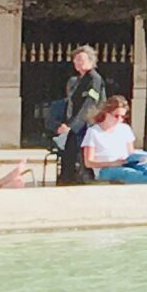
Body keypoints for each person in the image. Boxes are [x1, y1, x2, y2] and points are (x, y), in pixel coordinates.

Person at [78, 96, 147, 184]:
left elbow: (130, 153)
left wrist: (138, 158)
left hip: (126, 162)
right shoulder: (94, 132)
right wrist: (113, 163)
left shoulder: (125, 129)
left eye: (122, 117)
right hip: (105, 168)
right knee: (127, 172)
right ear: (106, 113)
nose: (119, 119)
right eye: (116, 116)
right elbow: (89, 162)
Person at [55, 45, 107, 188]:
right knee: (69, 153)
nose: (77, 63)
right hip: (77, 124)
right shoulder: (78, 80)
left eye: (81, 59)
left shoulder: (94, 79)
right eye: (75, 60)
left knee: (79, 153)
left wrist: (74, 125)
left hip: (87, 124)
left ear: (91, 61)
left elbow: (90, 103)